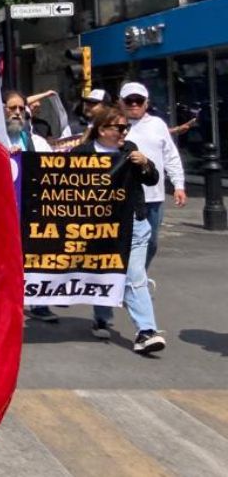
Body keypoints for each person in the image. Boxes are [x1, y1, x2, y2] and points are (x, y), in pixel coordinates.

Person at [73, 107, 166, 354]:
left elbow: (151, 179)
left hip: (133, 222)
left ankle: (146, 331)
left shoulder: (129, 149)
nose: (125, 132)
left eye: (127, 128)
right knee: (104, 272)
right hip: (98, 228)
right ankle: (102, 316)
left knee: (135, 277)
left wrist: (146, 164)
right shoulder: (82, 153)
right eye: (120, 128)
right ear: (103, 130)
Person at [5, 89, 60, 322]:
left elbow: (51, 168)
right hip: (0, 211)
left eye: (20, 109)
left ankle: (38, 303)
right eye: (12, 108)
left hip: (29, 209)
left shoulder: (35, 141)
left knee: (35, 255)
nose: (17, 113)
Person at [120, 82, 185, 270]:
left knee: (151, 243)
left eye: (138, 100)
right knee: (124, 242)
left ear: (146, 103)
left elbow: (170, 156)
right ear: (121, 102)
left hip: (153, 197)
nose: (134, 104)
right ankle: (130, 283)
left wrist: (178, 185)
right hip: (124, 197)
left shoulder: (158, 125)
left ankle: (138, 278)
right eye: (129, 100)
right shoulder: (113, 125)